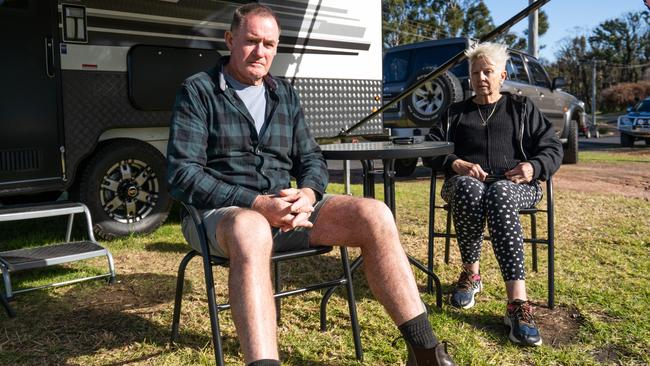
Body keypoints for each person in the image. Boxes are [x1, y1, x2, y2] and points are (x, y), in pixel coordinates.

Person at [166, 4, 455, 365]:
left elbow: (312, 159)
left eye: (270, 44)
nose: (261, 52)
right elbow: (183, 175)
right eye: (252, 41)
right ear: (230, 39)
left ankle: (425, 352)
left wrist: (308, 193)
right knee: (251, 227)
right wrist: (257, 204)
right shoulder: (199, 91)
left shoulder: (283, 94)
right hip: (219, 217)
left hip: (286, 212)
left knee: (375, 213)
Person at [427, 42, 563, 347]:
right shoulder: (456, 113)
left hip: (516, 186)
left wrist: (533, 167)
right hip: (466, 184)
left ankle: (518, 303)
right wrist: (454, 163)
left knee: (500, 191)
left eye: (488, 71)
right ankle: (471, 275)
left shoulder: (522, 108)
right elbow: (431, 149)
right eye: (476, 73)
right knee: (467, 187)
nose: (481, 78)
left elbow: (553, 148)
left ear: (501, 75)